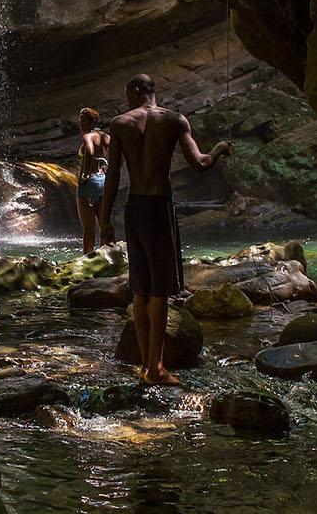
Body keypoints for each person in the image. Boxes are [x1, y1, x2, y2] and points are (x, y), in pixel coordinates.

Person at [99, 73, 230, 385]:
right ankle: (155, 368)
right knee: (159, 291)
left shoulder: (120, 123)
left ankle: (146, 366)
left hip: (134, 210)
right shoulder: (175, 120)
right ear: (152, 92)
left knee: (140, 290)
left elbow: (114, 176)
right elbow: (199, 163)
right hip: (159, 208)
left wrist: (105, 221)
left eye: (127, 95)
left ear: (134, 92)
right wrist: (221, 148)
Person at [74, 107, 114, 254]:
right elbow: (116, 155)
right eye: (79, 119)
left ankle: (87, 261)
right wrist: (108, 169)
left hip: (89, 182)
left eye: (83, 119)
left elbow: (90, 152)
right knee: (104, 224)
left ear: (92, 121)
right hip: (103, 181)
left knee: (89, 230)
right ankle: (109, 256)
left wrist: (84, 175)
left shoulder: (88, 137)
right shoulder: (106, 137)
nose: (80, 122)